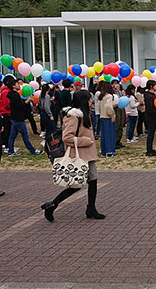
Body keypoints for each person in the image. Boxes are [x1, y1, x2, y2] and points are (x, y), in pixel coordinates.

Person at [40, 90, 105, 222]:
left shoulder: (85, 115)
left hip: (87, 155)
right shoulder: (73, 116)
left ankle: (91, 208)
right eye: (89, 99)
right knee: (75, 185)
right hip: (79, 155)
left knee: (93, 181)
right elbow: (67, 137)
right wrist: (85, 141)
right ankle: (52, 204)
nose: (91, 101)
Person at [6, 78, 43, 157]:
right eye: (17, 84)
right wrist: (27, 101)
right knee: (25, 135)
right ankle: (32, 150)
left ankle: (10, 151)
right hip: (18, 118)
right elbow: (19, 106)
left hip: (15, 118)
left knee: (12, 136)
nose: (19, 85)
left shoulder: (12, 94)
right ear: (13, 86)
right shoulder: (15, 95)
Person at [98, 81, 117, 157]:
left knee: (103, 135)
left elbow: (99, 107)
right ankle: (110, 151)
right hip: (108, 117)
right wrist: (112, 115)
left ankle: (104, 151)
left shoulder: (101, 96)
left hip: (102, 116)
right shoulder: (109, 96)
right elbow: (108, 107)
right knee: (110, 134)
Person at [144, 80, 156, 156]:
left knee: (152, 134)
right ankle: (149, 150)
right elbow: (151, 109)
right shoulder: (149, 96)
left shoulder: (152, 95)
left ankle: (150, 149)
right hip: (151, 117)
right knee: (150, 134)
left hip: (153, 117)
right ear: (151, 86)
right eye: (155, 85)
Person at [0, 77, 13, 151]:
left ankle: (8, 145)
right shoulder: (5, 92)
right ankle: (6, 145)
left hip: (8, 113)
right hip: (7, 113)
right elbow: (7, 104)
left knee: (9, 130)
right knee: (7, 130)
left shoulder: (7, 91)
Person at [111, 80, 125, 149]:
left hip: (120, 108)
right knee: (117, 125)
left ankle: (119, 140)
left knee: (121, 125)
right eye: (115, 84)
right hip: (115, 109)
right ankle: (114, 141)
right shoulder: (111, 93)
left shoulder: (119, 92)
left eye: (117, 84)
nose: (117, 85)